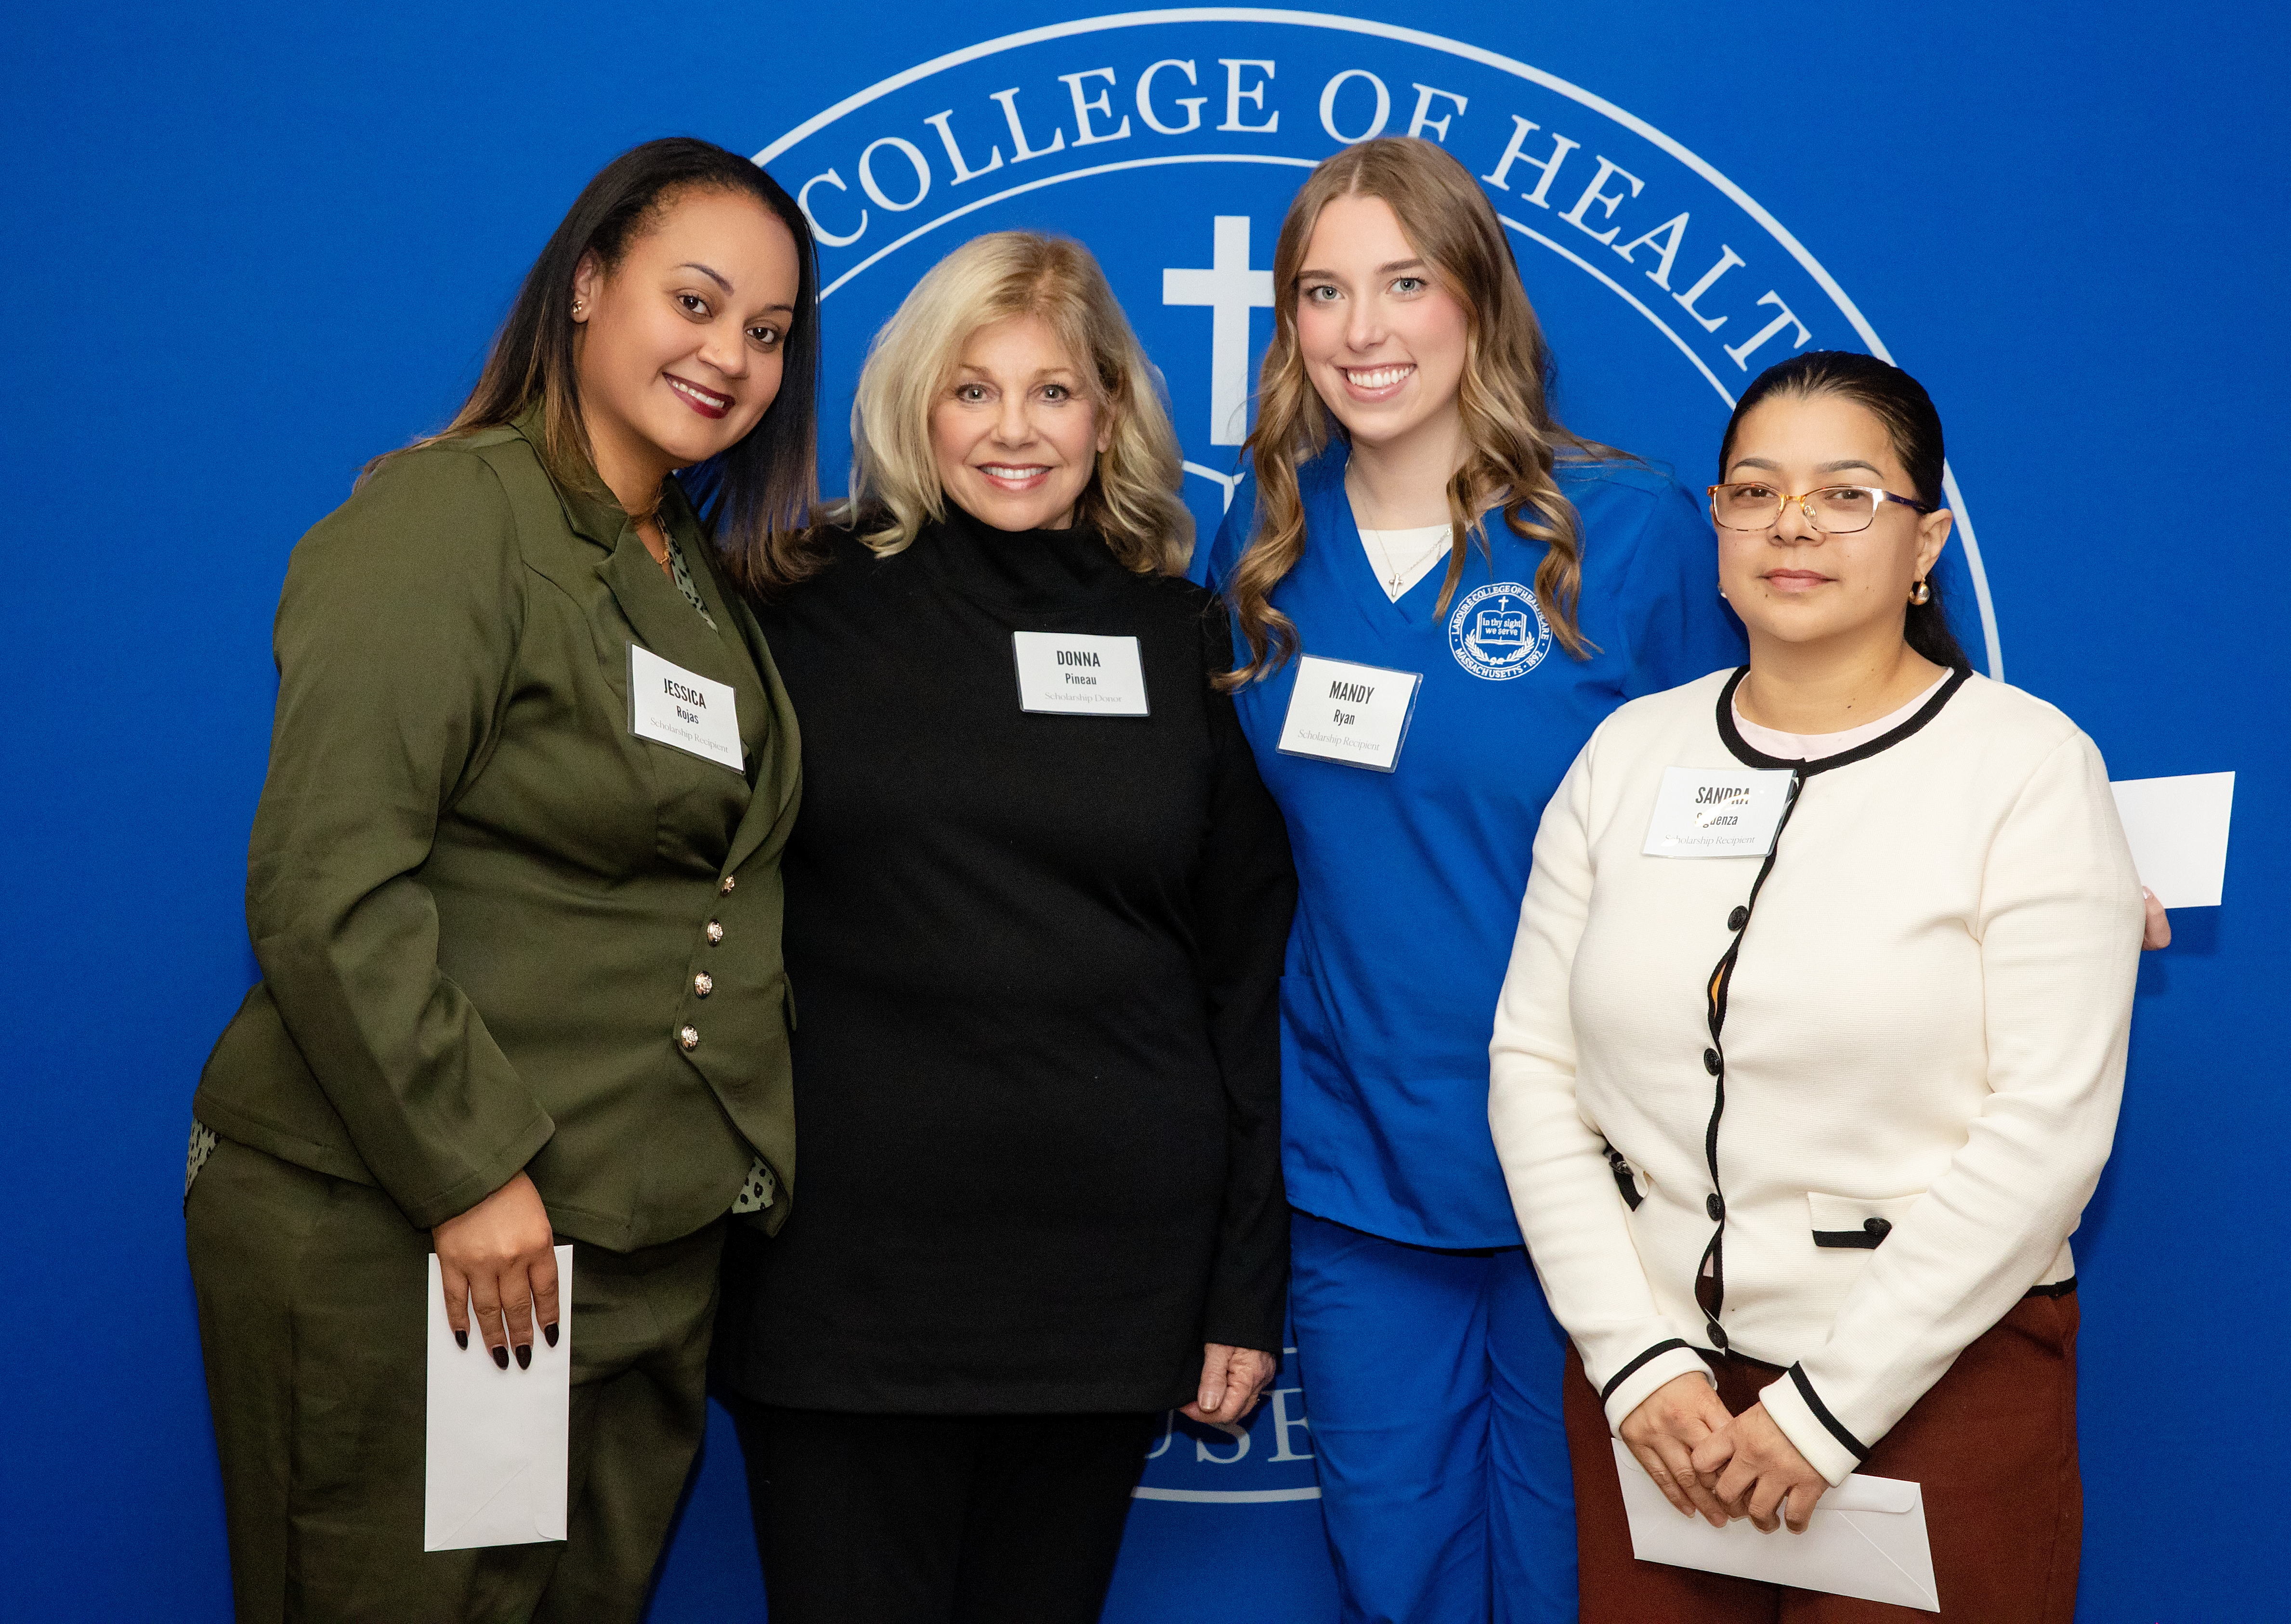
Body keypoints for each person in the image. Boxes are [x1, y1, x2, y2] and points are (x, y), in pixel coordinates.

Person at [183, 137, 822, 1623]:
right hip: (422, 1236)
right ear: (589, 286)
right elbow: (324, 884)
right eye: (697, 301)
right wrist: (466, 1170)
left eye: (771, 334)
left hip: (630, 1247)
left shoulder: (692, 569)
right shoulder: (447, 520)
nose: (730, 357)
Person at [1488, 350, 2146, 1621]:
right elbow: (1532, 1075)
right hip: (1661, 1407)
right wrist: (1634, 1365)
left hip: (1933, 1389)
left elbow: (2047, 1129)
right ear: (1720, 529)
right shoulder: (1629, 756)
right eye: (1754, 492)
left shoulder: (2026, 768)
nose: (1792, 525)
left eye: (1847, 495)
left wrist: (1826, 1410)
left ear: (1925, 543)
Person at [718, 231, 1298, 1624]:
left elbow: (1242, 978)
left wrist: (1241, 1282)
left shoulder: (1182, 636)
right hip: (845, 1288)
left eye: (1053, 391)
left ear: (1109, 413)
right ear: (916, 404)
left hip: (1101, 1286)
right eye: (973, 390)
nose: (1015, 430)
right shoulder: (793, 611)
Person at [1204, 136, 1747, 1624]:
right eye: (1322, 292)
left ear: (1480, 302)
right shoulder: (1252, 548)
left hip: (1601, 1170)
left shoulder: (1624, 535)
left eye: (1404, 283)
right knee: (1399, 1576)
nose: (1362, 332)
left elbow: (1799, 760)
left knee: (1591, 1578)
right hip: (1362, 1166)